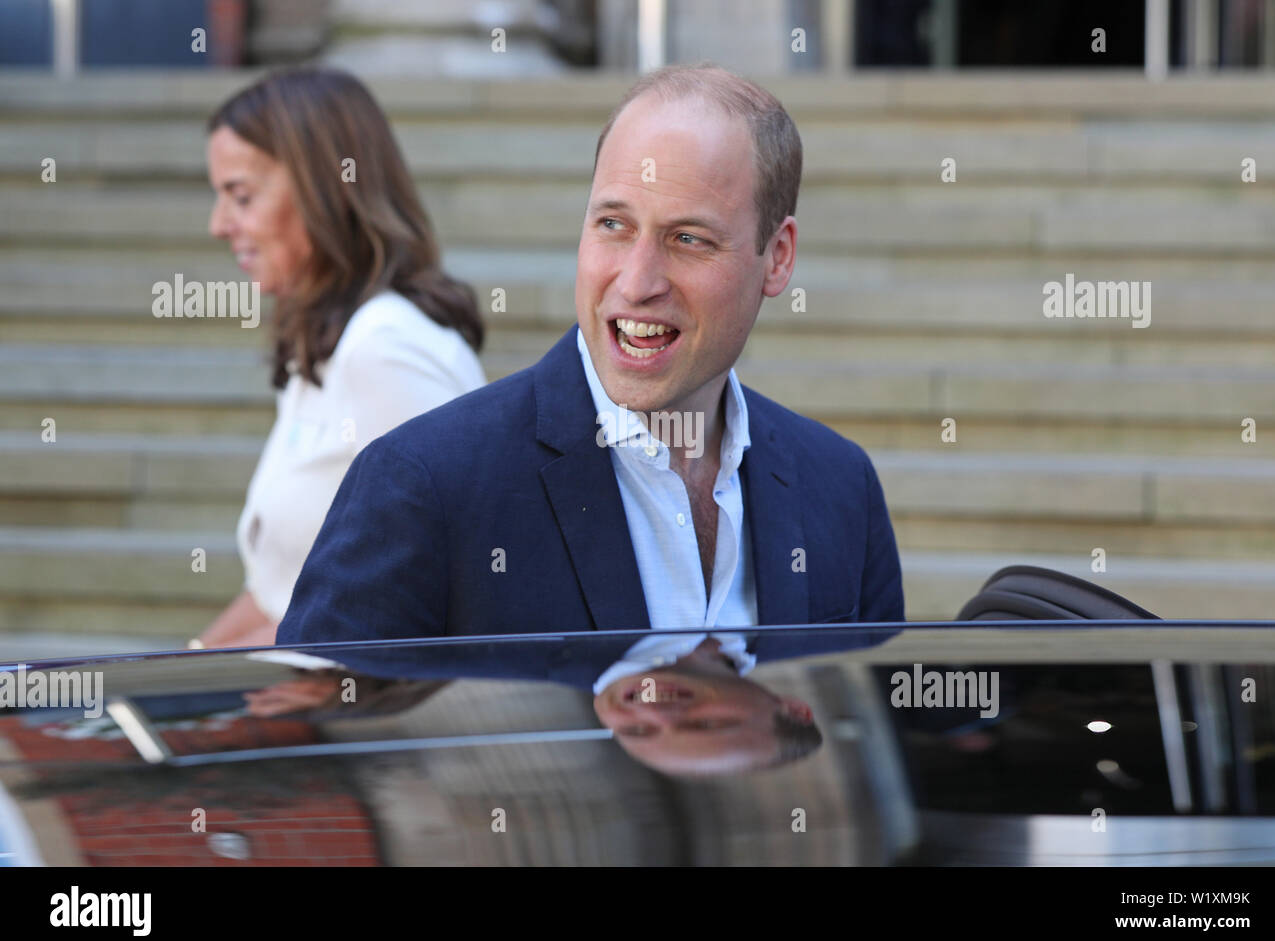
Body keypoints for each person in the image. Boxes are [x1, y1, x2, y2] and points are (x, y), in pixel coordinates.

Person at [276, 62, 904, 648]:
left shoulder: (841, 485)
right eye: (613, 225)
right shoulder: (421, 484)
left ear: (780, 257)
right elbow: (317, 750)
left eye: (688, 238)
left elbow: (879, 743)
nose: (636, 282)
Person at [191, 69, 487, 649]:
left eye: (241, 196)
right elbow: (277, 591)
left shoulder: (386, 348)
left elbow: (447, 592)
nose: (219, 224)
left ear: (323, 187)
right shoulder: (330, 339)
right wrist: (179, 677)